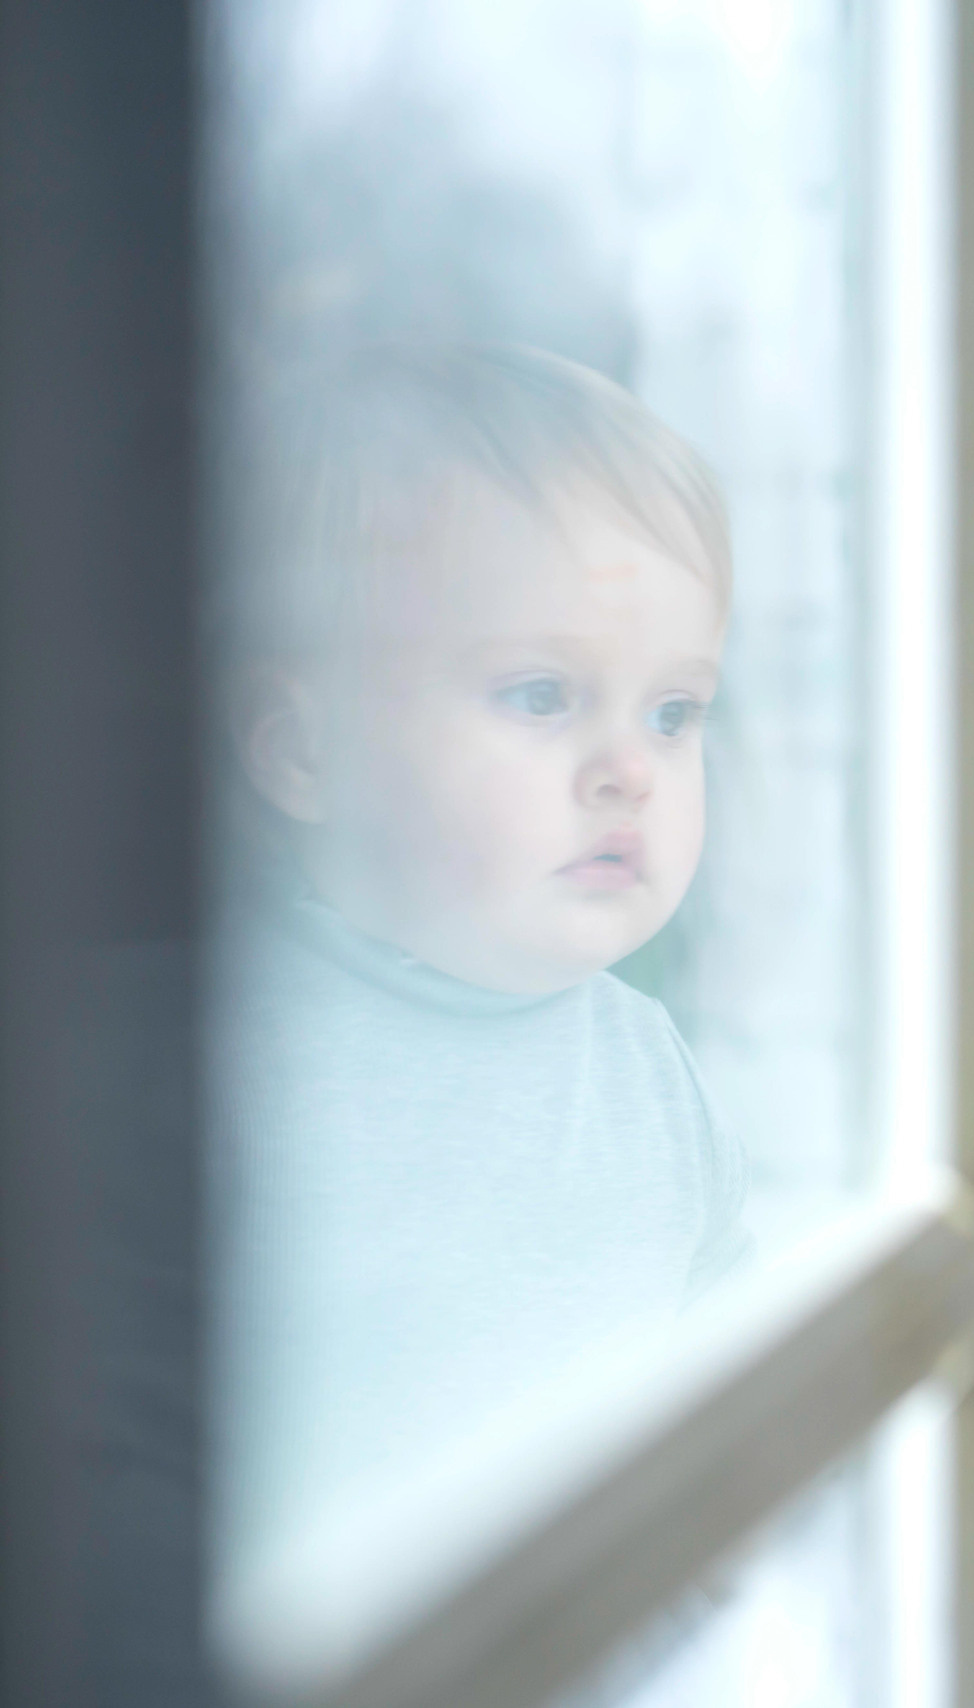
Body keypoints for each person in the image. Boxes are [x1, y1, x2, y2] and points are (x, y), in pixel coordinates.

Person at [212, 343, 746, 1569]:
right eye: (542, 694)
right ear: (305, 754)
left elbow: (745, 1402)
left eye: (673, 711)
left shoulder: (646, 1066)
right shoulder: (225, 1065)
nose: (631, 767)